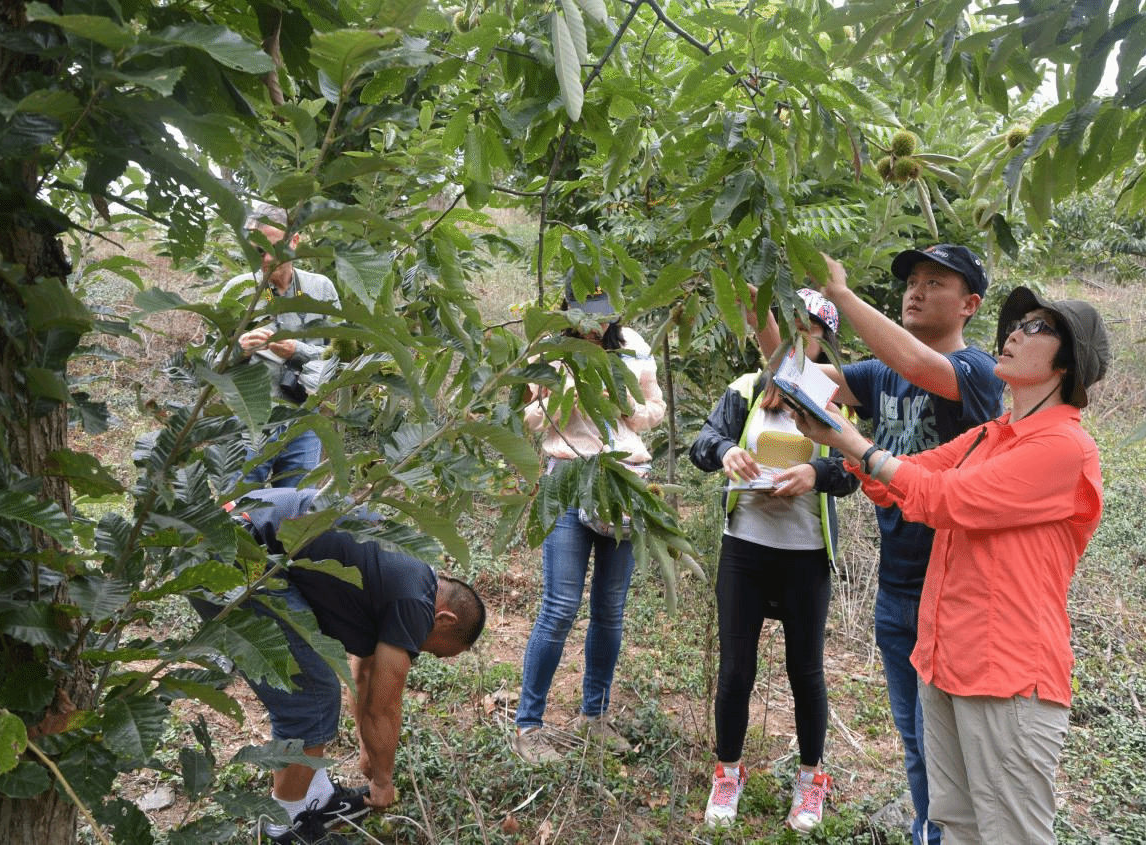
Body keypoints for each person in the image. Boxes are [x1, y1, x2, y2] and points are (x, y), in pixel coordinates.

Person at [791, 285, 1110, 845]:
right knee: (957, 826)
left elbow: (944, 500)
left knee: (1011, 836)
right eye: (1018, 324)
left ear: (1068, 362)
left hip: (1007, 673)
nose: (1015, 333)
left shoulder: (1063, 447)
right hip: (945, 659)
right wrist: (845, 441)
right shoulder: (989, 436)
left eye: (1038, 327)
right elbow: (905, 479)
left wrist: (855, 444)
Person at [756, 245, 1004, 845]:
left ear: (970, 304)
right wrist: (754, 304)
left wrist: (840, 294)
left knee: (953, 746)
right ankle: (927, 832)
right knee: (916, 740)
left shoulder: (978, 372)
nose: (915, 290)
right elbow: (793, 376)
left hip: (953, 588)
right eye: (912, 280)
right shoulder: (879, 374)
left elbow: (920, 365)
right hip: (896, 587)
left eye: (935, 282)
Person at [200, 487, 486, 845]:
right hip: (235, 553)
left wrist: (368, 750)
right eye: (437, 652)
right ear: (444, 619)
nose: (421, 653)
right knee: (311, 698)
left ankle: (316, 798)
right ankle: (282, 827)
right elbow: (384, 708)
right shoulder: (415, 603)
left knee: (315, 684)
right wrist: (382, 781)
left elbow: (364, 675)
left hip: (224, 536)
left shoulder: (409, 576)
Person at [688, 289, 859, 832]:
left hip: (805, 554)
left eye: (810, 330)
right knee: (736, 669)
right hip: (745, 548)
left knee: (805, 671)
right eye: (789, 326)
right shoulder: (747, 388)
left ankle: (811, 780)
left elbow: (856, 470)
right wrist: (726, 452)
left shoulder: (835, 398)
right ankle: (727, 773)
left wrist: (815, 474)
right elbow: (702, 443)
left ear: (825, 342)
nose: (796, 338)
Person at [510, 279, 666, 763]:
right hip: (567, 477)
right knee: (559, 606)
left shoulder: (634, 346)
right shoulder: (550, 351)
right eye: (586, 316)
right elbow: (527, 417)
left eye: (603, 316)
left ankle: (594, 716)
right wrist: (566, 397)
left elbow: (655, 409)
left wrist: (627, 406)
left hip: (623, 482)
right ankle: (528, 726)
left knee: (610, 608)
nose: (595, 326)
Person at [221, 203, 340, 488]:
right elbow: (212, 360)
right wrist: (238, 350)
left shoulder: (321, 288)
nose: (267, 258)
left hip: (303, 419)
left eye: (274, 247)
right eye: (258, 250)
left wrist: (297, 350)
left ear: (294, 241)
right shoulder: (237, 291)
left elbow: (340, 355)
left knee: (295, 503)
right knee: (238, 502)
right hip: (251, 420)